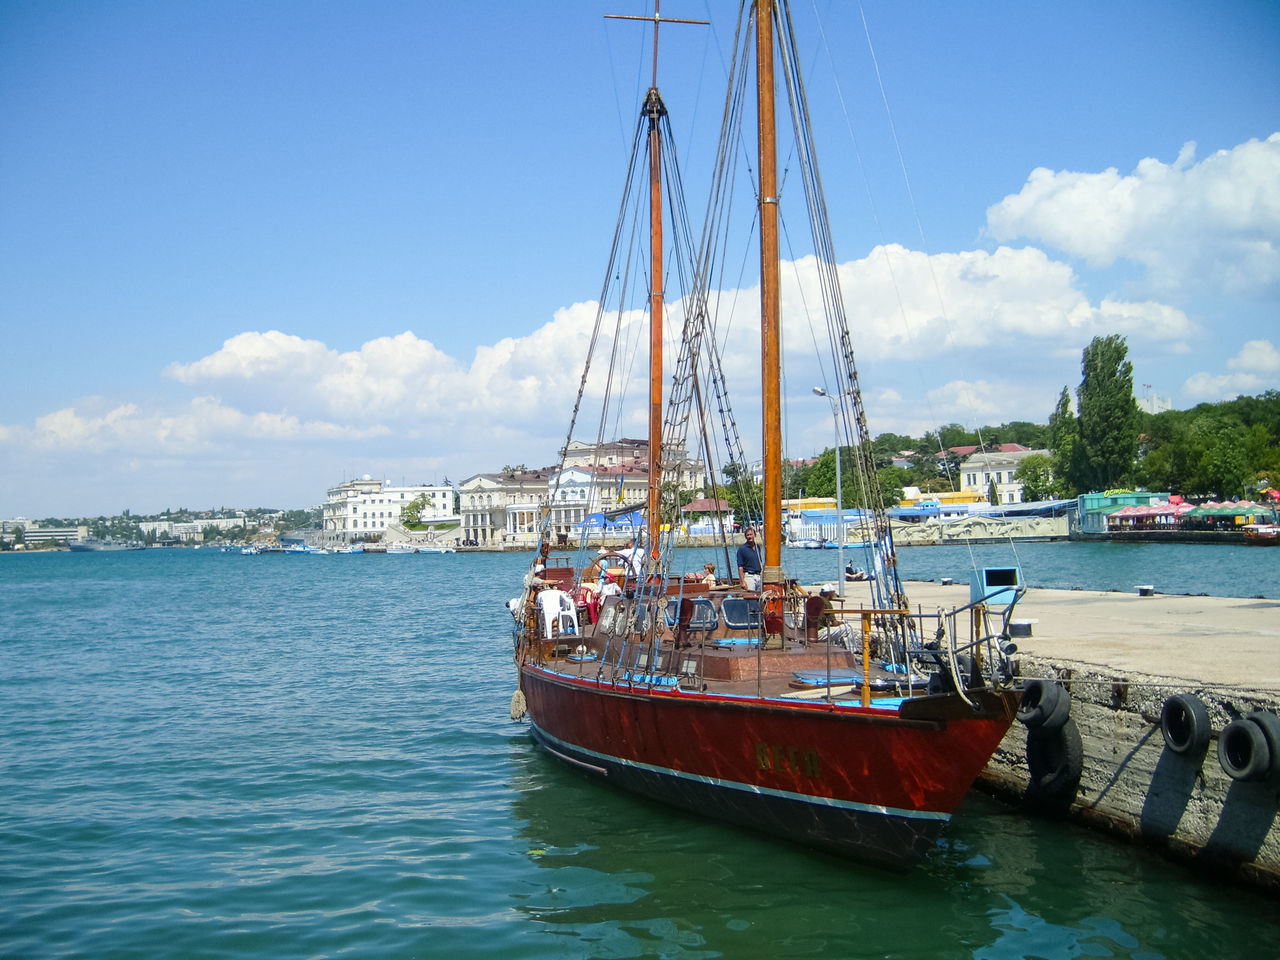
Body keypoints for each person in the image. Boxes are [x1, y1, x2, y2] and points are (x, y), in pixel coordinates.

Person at [736, 526, 763, 591]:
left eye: (751, 534)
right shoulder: (742, 549)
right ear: (745, 537)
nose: (749, 536)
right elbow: (740, 567)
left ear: (755, 535)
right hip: (749, 576)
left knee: (760, 597)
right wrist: (742, 582)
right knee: (751, 597)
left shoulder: (758, 547)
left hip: (759, 576)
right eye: (747, 535)